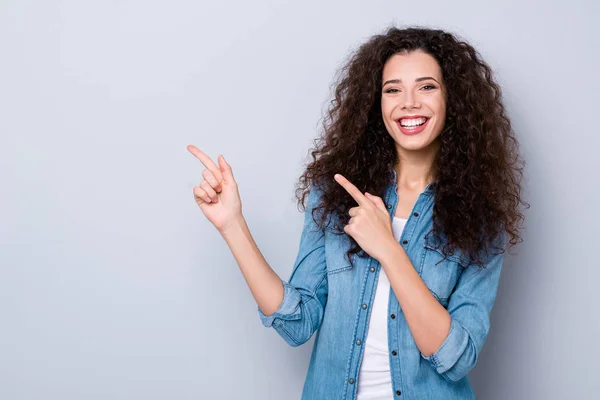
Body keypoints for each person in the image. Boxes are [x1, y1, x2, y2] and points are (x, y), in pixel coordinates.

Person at [188, 26, 527, 400]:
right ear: (375, 102)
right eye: (393, 89)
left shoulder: (482, 216)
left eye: (427, 87)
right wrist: (233, 225)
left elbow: (457, 358)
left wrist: (389, 249)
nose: (409, 102)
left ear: (454, 99)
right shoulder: (335, 193)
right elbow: (296, 323)